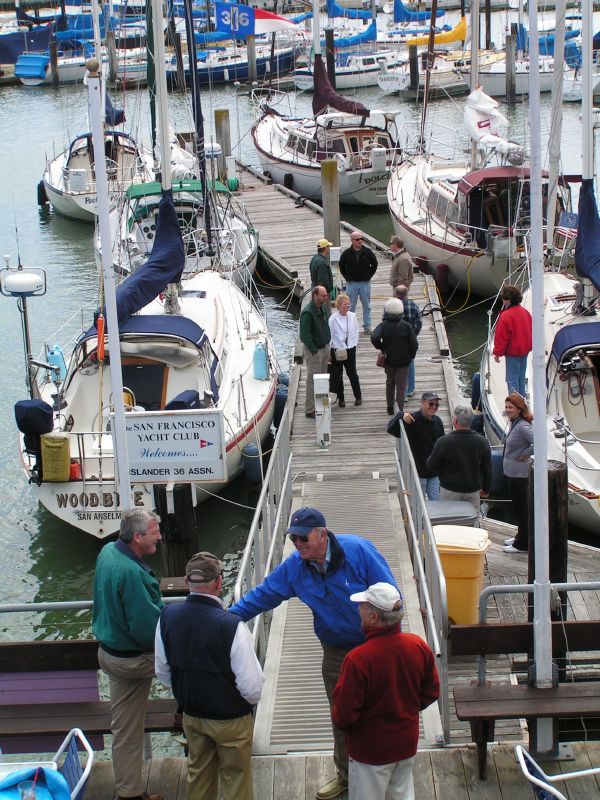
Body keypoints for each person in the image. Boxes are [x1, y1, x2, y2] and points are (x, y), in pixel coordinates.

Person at [230, 507, 398, 800]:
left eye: (303, 538)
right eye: (293, 539)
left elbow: (392, 596)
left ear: (322, 534)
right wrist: (226, 618)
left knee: (382, 710)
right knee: (342, 715)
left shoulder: (358, 550)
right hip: (335, 650)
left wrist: (389, 642)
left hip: (376, 645)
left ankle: (388, 776)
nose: (298, 545)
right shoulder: (295, 567)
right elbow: (264, 594)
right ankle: (346, 776)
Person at [155, 552, 264, 800]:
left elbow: (162, 671)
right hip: (230, 719)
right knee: (236, 778)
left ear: (186, 581)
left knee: (199, 776)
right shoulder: (231, 625)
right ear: (218, 582)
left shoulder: (167, 617)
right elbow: (252, 686)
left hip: (192, 714)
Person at [332, 583, 439, 800]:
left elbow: (343, 716)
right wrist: (405, 708)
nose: (358, 610)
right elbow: (431, 691)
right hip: (406, 744)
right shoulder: (418, 646)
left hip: (370, 751)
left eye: (362, 606)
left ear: (373, 618)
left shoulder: (358, 659)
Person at [92, 509, 164, 800]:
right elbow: (147, 630)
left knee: (125, 729)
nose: (159, 535)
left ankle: (129, 793)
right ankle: (194, 715)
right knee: (194, 657)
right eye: (153, 531)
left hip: (109, 654)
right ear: (137, 537)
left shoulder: (107, 551)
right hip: (133, 661)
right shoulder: (133, 574)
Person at [426, 405, 492, 512]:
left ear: (455, 421)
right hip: (472, 491)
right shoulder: (482, 441)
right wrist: (486, 488)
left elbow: (431, 466)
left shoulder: (443, 442)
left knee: (450, 521)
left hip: (449, 490)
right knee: (471, 521)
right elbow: (487, 468)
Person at [371, 298, 418, 416]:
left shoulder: (383, 325)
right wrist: (411, 355)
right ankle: (400, 410)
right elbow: (414, 344)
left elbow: (374, 337)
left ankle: (390, 407)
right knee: (401, 387)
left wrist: (382, 348)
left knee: (390, 383)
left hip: (389, 359)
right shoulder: (406, 326)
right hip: (404, 361)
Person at [502, 393, 534, 554]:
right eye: (506, 407)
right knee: (518, 507)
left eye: (511, 407)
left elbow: (538, 442)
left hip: (520, 476)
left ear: (519, 409)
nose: (507, 410)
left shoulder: (522, 426)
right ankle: (520, 536)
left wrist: (527, 453)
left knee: (523, 509)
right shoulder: (514, 423)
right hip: (511, 473)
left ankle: (523, 545)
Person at [399, 391, 445, 501]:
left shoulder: (438, 421)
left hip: (433, 473)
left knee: (437, 503)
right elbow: (391, 428)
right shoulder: (412, 419)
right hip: (417, 473)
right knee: (418, 505)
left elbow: (443, 445)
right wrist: (400, 415)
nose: (434, 407)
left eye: (436, 405)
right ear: (422, 403)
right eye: (431, 404)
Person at [493, 284, 532, 397]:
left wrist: (497, 353)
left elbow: (501, 338)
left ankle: (515, 406)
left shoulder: (506, 316)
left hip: (513, 353)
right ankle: (522, 400)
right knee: (521, 377)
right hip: (524, 351)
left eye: (503, 298)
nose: (502, 300)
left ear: (508, 300)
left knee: (512, 379)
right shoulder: (525, 312)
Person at [300, 285, 331, 418]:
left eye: (326, 295)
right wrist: (314, 350)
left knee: (323, 378)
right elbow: (304, 335)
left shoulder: (323, 308)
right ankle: (310, 409)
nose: (326, 297)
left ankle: (321, 405)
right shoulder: (307, 313)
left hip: (324, 348)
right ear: (315, 296)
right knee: (312, 380)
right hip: (315, 351)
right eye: (323, 295)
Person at [339, 231, 378, 334]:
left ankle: (367, 327)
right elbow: (341, 265)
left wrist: (369, 275)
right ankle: (350, 327)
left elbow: (374, 264)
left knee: (367, 306)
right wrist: (346, 277)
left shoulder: (368, 252)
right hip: (351, 284)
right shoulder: (346, 253)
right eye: (357, 239)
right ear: (352, 241)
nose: (360, 241)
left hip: (365, 283)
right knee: (350, 306)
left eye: (361, 239)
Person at [329, 293, 362, 408]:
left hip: (351, 349)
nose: (347, 306)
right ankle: (341, 399)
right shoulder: (333, 319)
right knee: (338, 375)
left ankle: (358, 396)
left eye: (348, 304)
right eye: (345, 304)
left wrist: (354, 344)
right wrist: (330, 351)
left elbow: (357, 331)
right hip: (337, 349)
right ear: (339, 305)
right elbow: (331, 336)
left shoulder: (352, 316)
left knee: (352, 373)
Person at [394, 284, 422, 399]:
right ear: (406, 294)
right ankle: (410, 389)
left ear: (396, 294)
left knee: (399, 367)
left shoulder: (391, 307)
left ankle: (403, 393)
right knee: (410, 364)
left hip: (397, 342)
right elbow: (419, 323)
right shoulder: (413, 305)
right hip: (410, 341)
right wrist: (413, 335)